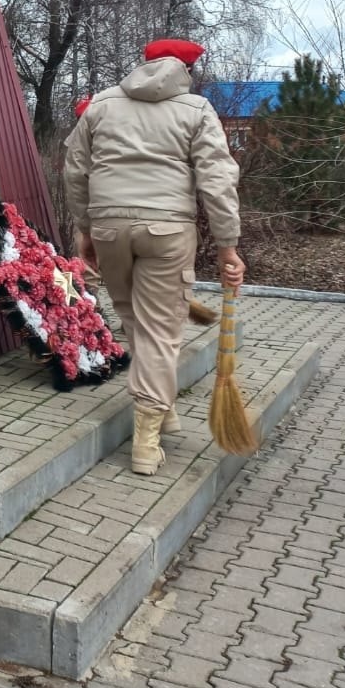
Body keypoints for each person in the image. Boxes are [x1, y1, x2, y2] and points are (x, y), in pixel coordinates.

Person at [63, 38, 245, 475]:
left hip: (109, 226)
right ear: (186, 71)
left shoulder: (102, 104)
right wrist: (227, 245)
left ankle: (164, 410)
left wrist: (86, 229)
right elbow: (217, 180)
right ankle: (146, 443)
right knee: (161, 332)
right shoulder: (196, 109)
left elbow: (74, 168)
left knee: (135, 322)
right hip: (166, 230)